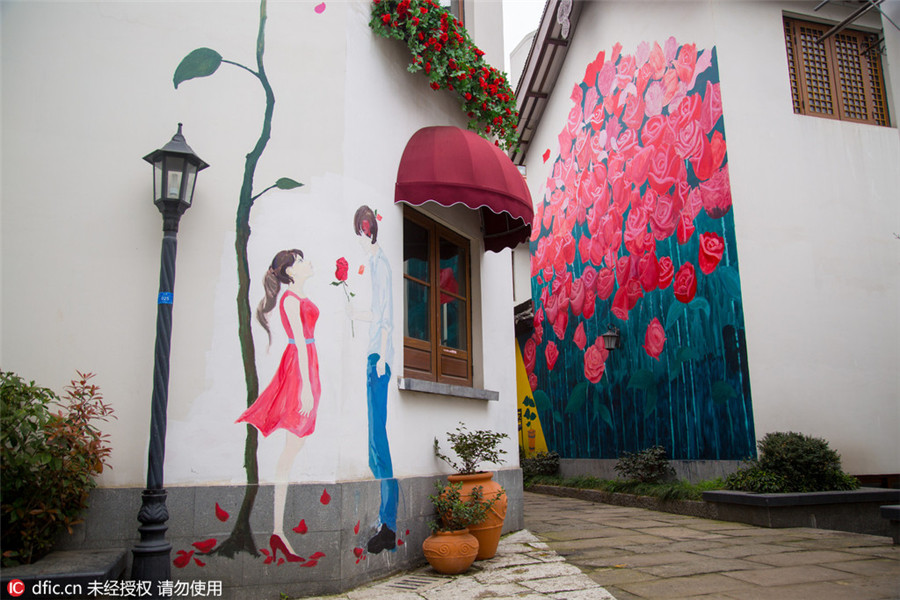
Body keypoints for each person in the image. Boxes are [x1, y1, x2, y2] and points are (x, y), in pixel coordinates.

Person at [236, 248, 320, 563]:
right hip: (300, 369)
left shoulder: (297, 297)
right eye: (300, 260)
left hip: (307, 365)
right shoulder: (289, 300)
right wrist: (307, 389)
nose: (307, 262)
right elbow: (298, 342)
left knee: (293, 447)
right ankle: (277, 530)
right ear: (290, 272)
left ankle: (277, 531)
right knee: (291, 448)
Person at [348, 206, 398, 554]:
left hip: (377, 360)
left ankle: (389, 525)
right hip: (373, 356)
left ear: (367, 231)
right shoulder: (376, 266)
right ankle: (387, 523)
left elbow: (386, 315)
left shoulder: (381, 265)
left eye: (360, 236)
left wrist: (380, 357)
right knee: (373, 447)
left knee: (378, 446)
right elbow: (377, 312)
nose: (360, 243)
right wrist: (355, 313)